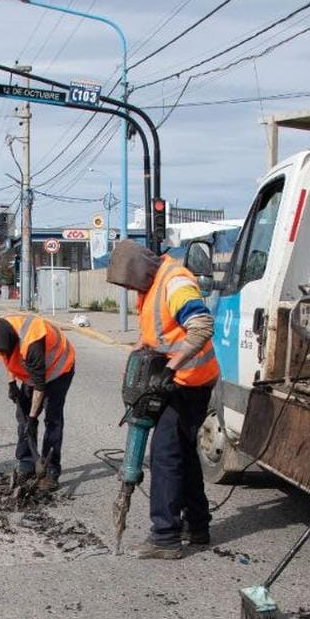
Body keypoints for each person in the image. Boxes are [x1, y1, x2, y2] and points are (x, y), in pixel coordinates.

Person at [107, 239, 220, 559]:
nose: (131, 290)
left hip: (189, 381)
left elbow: (201, 326)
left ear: (141, 270)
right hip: (176, 381)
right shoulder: (151, 286)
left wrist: (170, 368)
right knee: (182, 452)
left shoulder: (176, 281)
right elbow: (155, 335)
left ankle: (165, 537)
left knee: (165, 454)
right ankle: (197, 525)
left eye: (131, 283)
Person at [0, 313, 76, 491]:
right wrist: (12, 384)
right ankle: (27, 463)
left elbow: (39, 386)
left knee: (52, 419)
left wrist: (33, 418)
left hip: (58, 371)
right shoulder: (2, 331)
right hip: (33, 372)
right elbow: (9, 358)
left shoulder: (31, 342)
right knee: (22, 416)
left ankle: (50, 470)